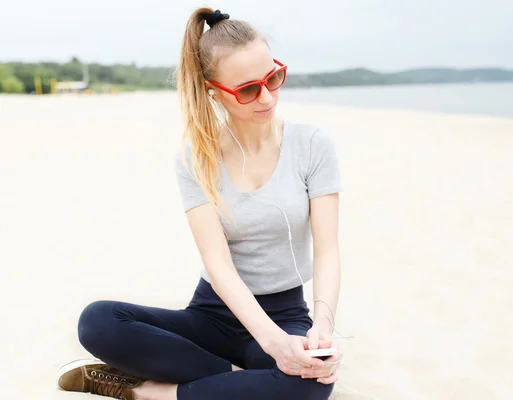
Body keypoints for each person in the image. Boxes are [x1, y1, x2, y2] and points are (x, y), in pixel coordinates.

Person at [56, 7, 344, 400]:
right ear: (214, 91)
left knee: (312, 387)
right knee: (98, 321)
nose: (267, 97)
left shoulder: (312, 145)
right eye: (247, 89)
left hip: (286, 312)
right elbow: (218, 264)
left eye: (273, 78)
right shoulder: (197, 156)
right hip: (213, 315)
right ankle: (231, 381)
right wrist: (274, 346)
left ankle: (147, 393)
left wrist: (321, 328)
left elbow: (327, 250)